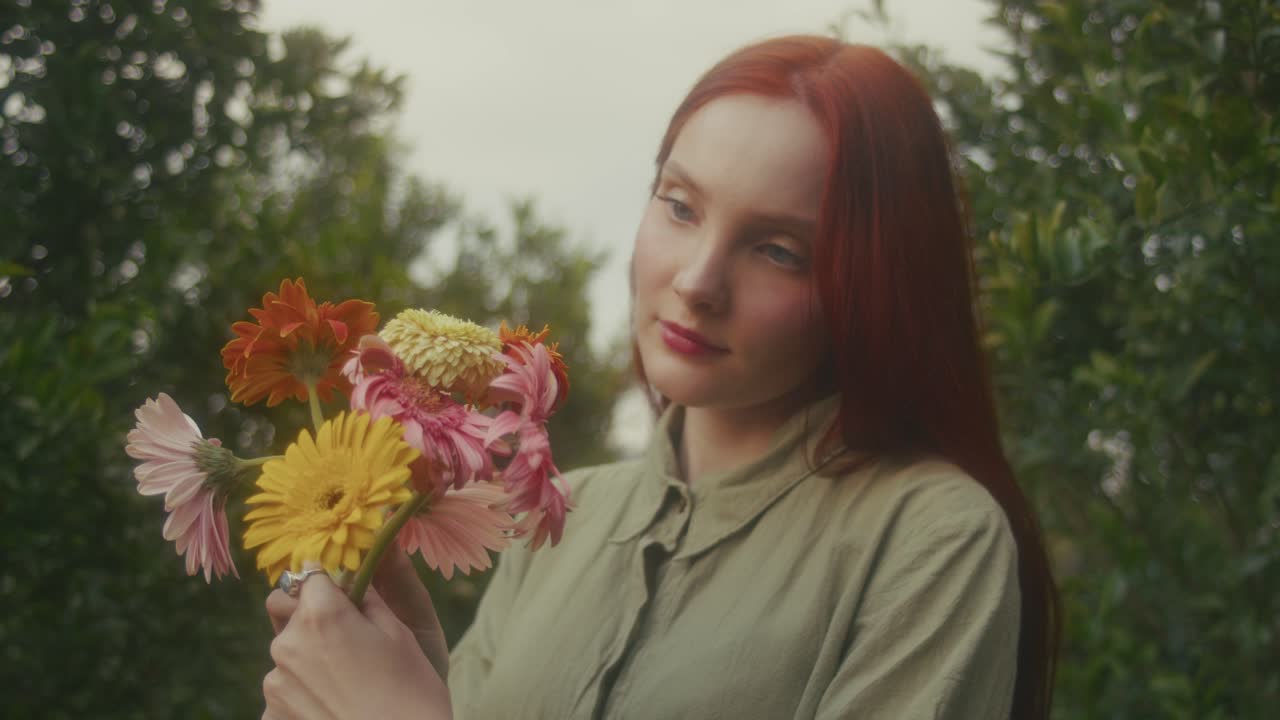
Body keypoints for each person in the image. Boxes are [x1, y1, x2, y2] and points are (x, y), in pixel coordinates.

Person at [260, 35, 1059, 720]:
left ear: (872, 287)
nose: (699, 281)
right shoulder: (560, 512)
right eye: (680, 206)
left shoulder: (932, 537)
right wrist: (421, 674)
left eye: (779, 250)